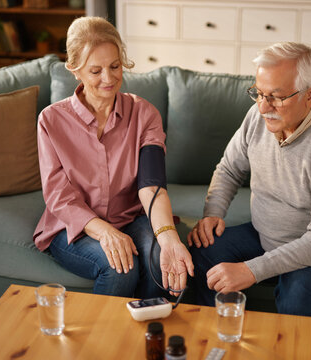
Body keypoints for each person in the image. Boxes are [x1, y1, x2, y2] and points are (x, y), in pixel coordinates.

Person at [188, 42, 311, 318]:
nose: (264, 107)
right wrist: (213, 213)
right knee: (204, 249)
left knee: (298, 286)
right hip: (268, 235)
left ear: (310, 94)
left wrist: (252, 270)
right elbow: (229, 168)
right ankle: (216, 339)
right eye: (258, 93)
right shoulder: (257, 116)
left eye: (276, 97)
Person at [34, 17, 193, 298]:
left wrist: (169, 237)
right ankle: (101, 340)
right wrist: (105, 232)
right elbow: (59, 196)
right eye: (95, 71)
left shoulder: (144, 114)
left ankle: (145, 332)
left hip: (131, 217)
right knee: (121, 267)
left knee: (160, 261)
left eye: (115, 67)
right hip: (74, 227)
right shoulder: (51, 120)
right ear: (75, 70)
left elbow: (151, 184)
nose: (108, 79)